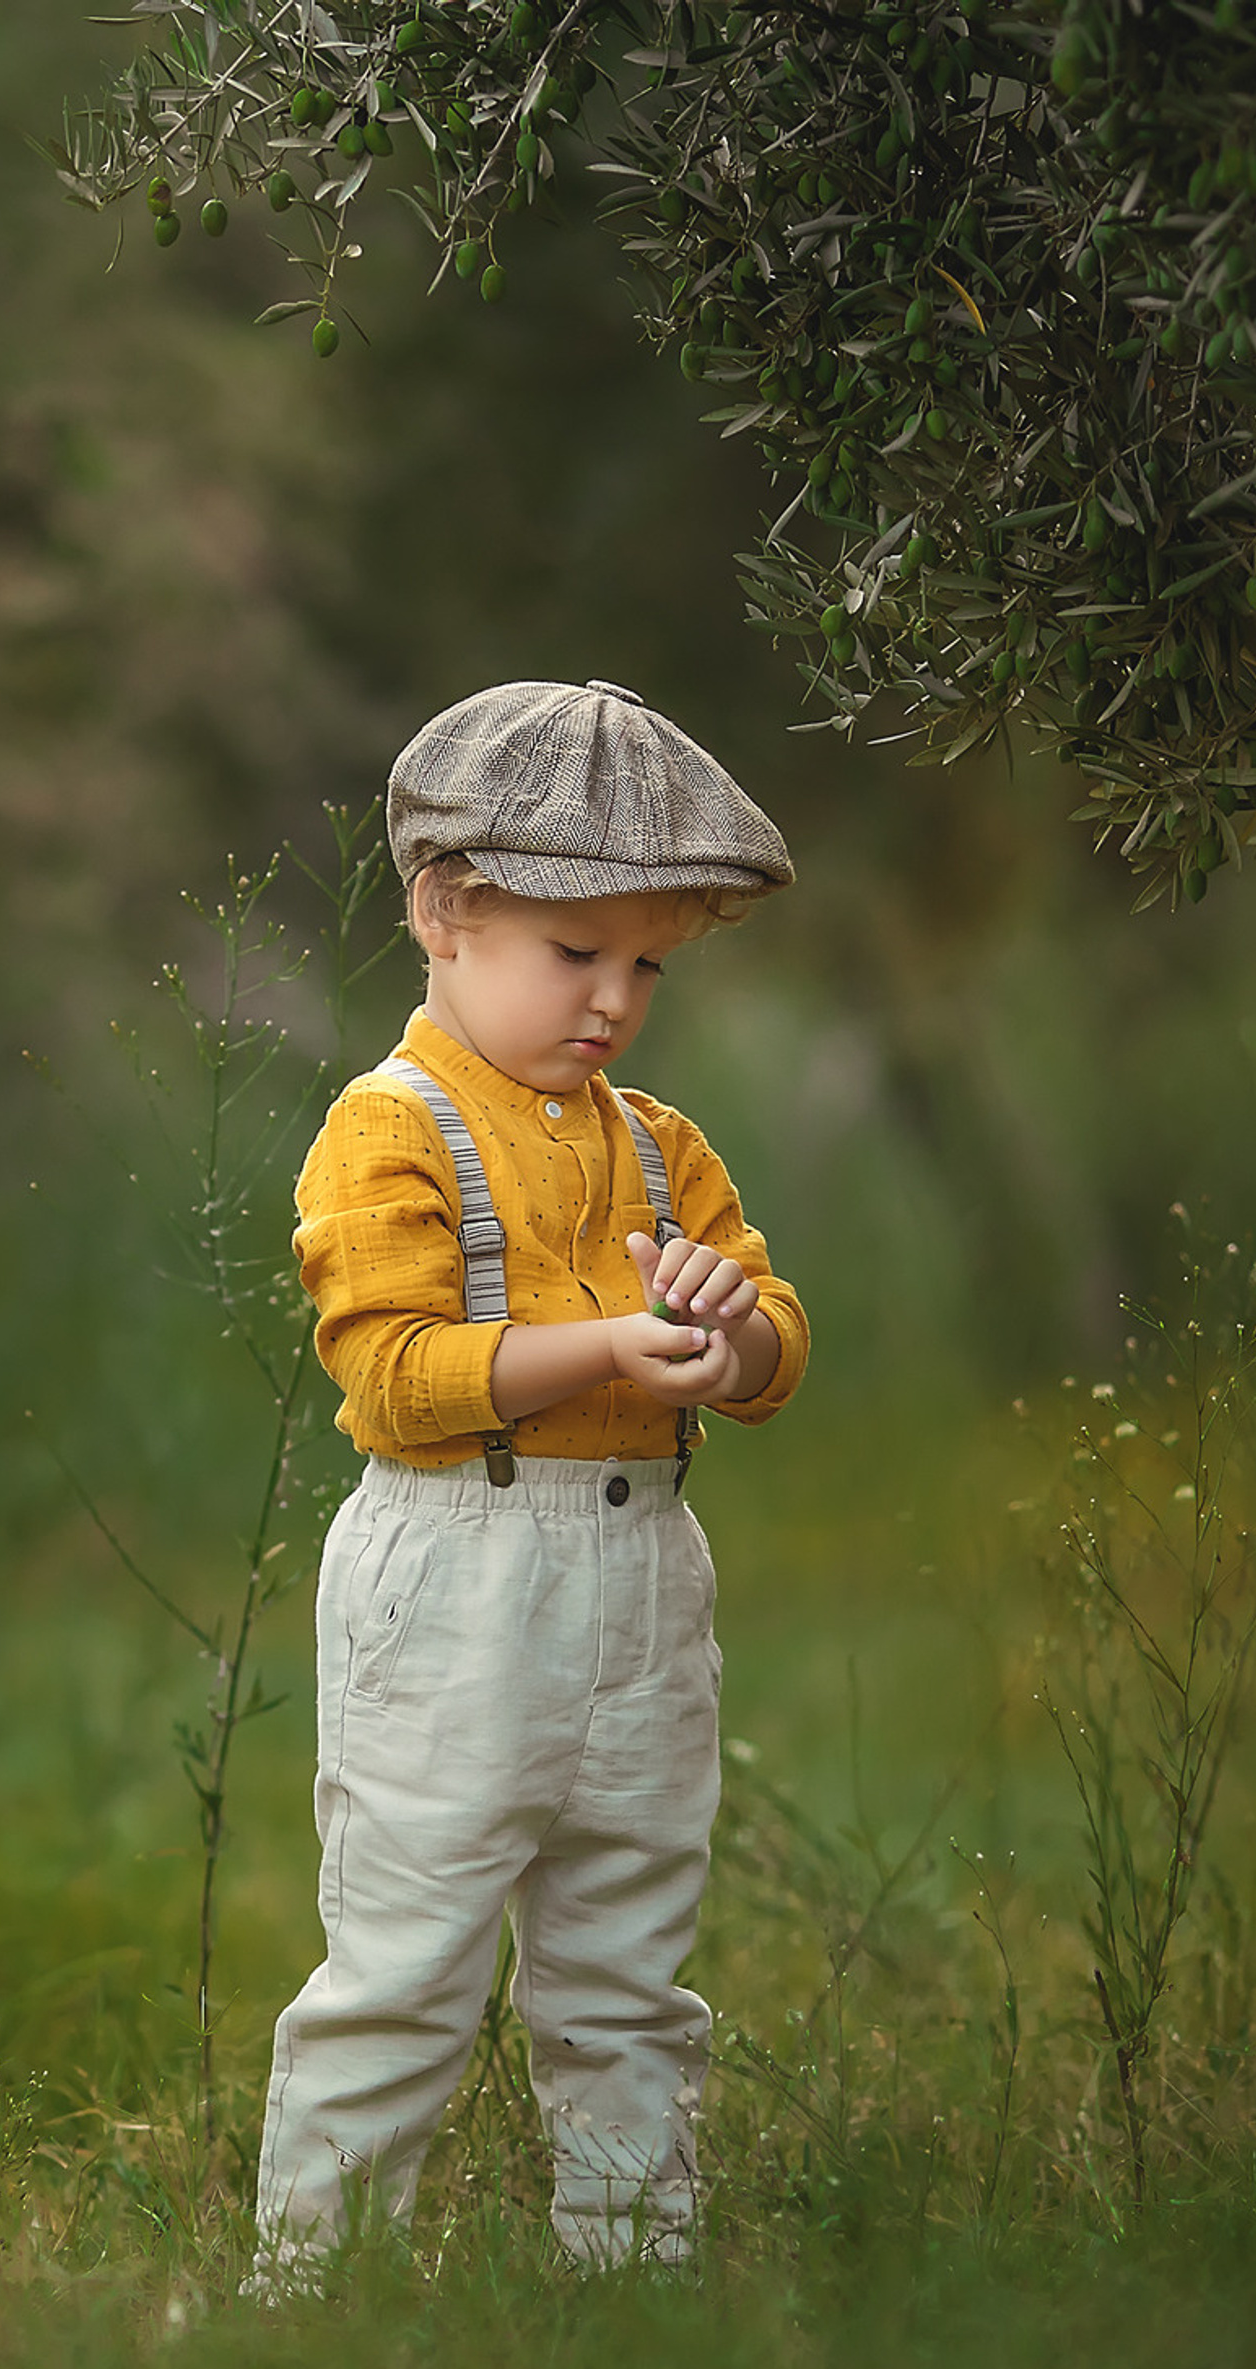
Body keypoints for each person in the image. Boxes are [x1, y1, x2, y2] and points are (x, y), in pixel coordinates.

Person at [253, 676, 809, 2275]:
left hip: (641, 1585)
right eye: (578, 954)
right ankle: (312, 2293)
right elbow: (399, 1377)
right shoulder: (393, 1126)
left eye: (647, 962)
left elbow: (769, 1325)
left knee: (628, 1967)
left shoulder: (659, 1145)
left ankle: (632, 2274)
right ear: (445, 912)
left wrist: (728, 1348)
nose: (616, 1000)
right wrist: (614, 1350)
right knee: (408, 1963)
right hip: (458, 1582)